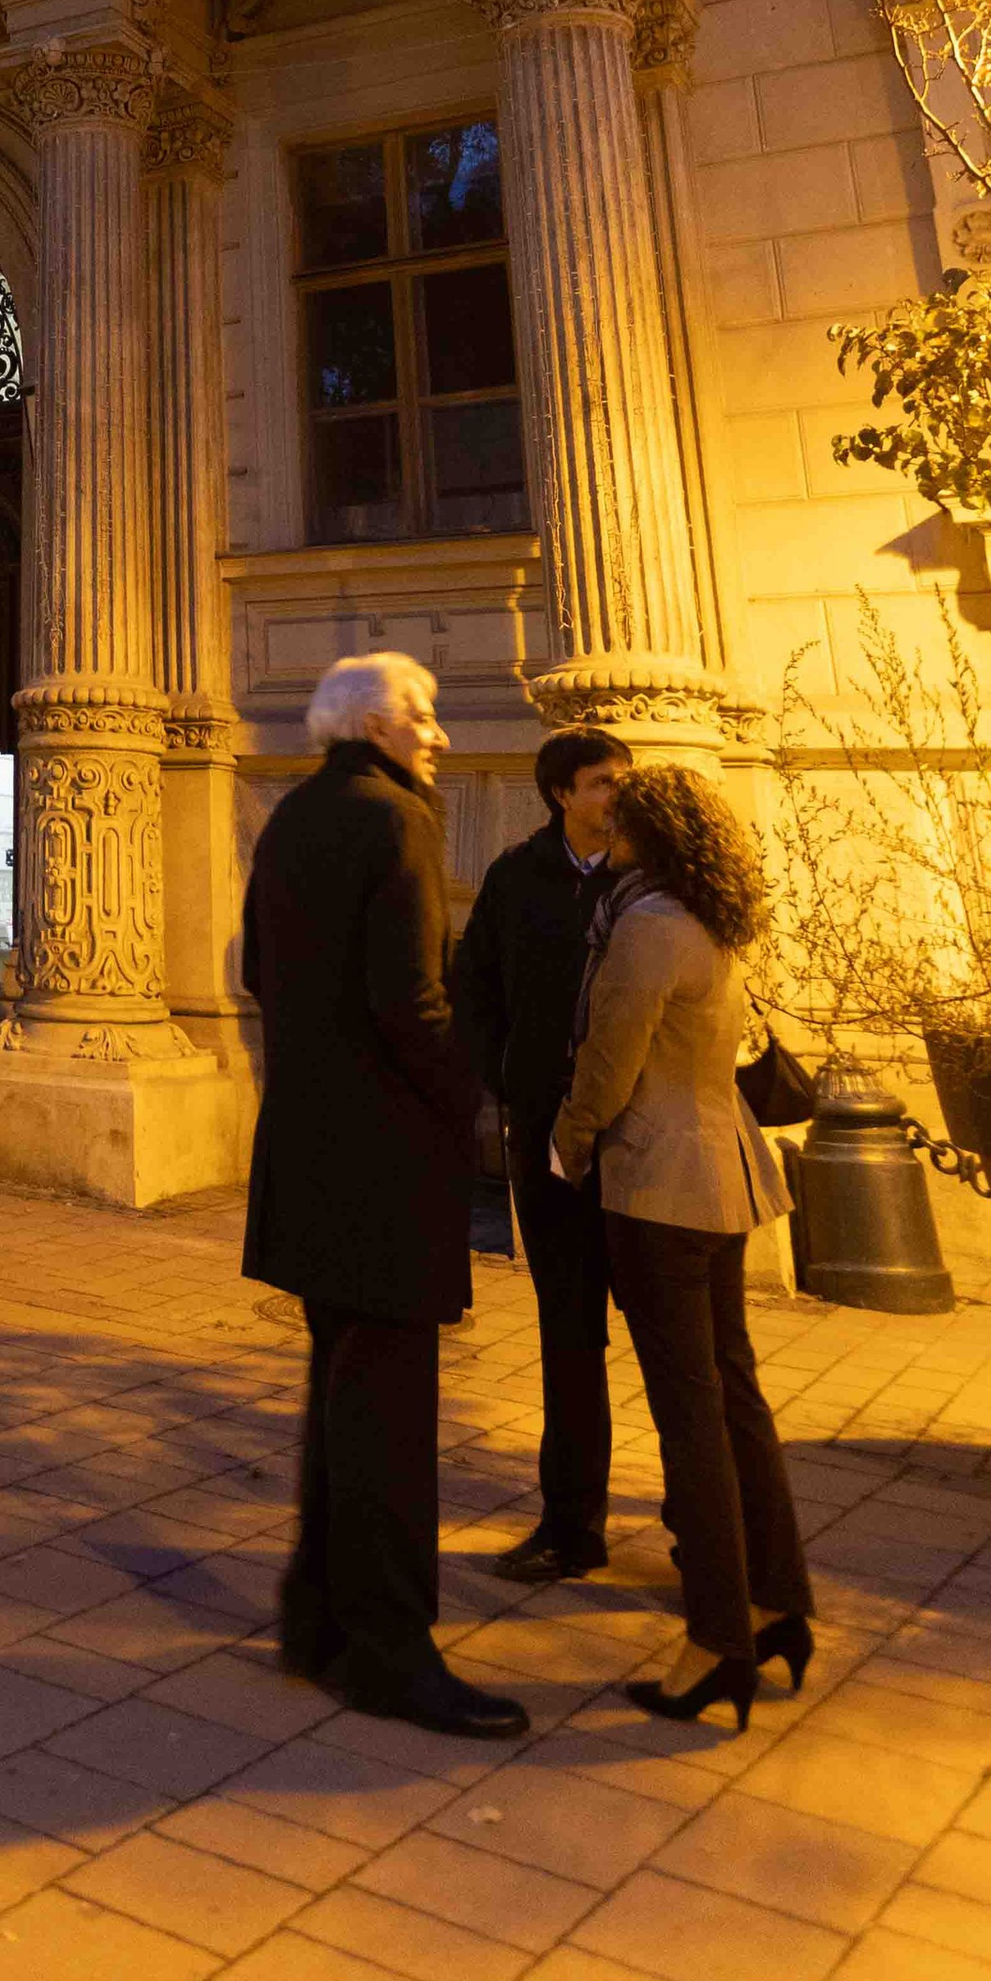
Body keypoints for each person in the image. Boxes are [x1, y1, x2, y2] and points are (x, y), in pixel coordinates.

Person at [242, 650, 526, 1744]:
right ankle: (389, 1650)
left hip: (307, 1153)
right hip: (381, 1160)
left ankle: (314, 1619)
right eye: (425, 716)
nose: (441, 736)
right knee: (391, 1418)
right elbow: (412, 998)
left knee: (342, 1398)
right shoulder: (393, 819)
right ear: (373, 724)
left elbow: (260, 977)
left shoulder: (291, 816)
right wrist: (471, 1099)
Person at [552, 761, 815, 1730]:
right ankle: (777, 1602)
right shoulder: (708, 915)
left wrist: (567, 1145)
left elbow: (609, 1064)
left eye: (618, 819)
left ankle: (715, 1640)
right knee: (733, 1393)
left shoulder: (646, 925)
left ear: (645, 834)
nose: (605, 830)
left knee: (690, 1412)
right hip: (719, 1173)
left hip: (659, 1183)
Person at [452, 727, 630, 1585]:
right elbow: (473, 983)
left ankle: (701, 1525)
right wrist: (508, 1080)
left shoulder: (648, 879)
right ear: (562, 794)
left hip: (637, 1141)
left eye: (624, 780)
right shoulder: (517, 877)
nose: (617, 795)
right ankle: (572, 1525)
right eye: (602, 782)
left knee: (675, 1341)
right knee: (569, 1336)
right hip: (547, 1136)